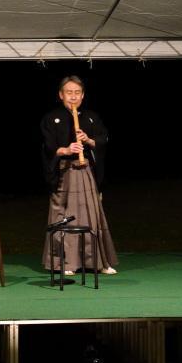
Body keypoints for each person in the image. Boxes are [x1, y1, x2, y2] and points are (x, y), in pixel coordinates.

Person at [40, 76, 118, 275]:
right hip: (64, 172)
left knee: (92, 214)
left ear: (82, 96)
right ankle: (64, 263)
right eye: (69, 92)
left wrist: (89, 140)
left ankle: (98, 262)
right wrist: (65, 150)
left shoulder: (91, 117)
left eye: (77, 93)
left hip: (86, 172)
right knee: (63, 216)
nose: (73, 97)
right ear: (60, 95)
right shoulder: (51, 118)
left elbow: (104, 138)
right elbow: (47, 146)